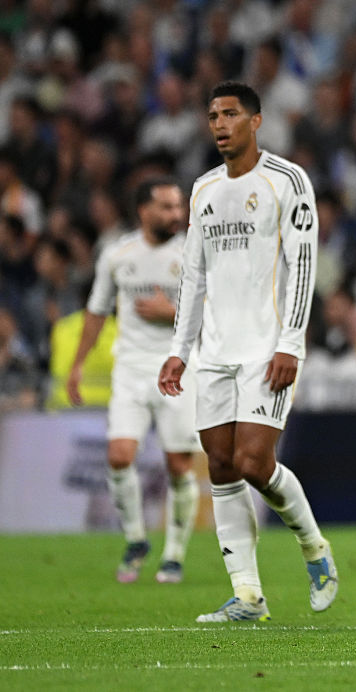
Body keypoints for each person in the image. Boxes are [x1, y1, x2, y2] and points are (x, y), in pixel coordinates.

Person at [157, 81, 337, 622]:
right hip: (214, 350)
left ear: (255, 121)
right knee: (220, 467)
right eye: (212, 115)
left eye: (230, 114)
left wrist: (291, 343)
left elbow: (303, 266)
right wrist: (178, 350)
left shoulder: (288, 180)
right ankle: (248, 596)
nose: (219, 124)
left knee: (255, 463)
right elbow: (193, 275)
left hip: (267, 347)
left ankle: (314, 548)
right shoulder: (204, 189)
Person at [67, 177, 200, 584]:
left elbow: (215, 311)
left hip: (178, 367)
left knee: (179, 465)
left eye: (178, 207)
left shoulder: (193, 254)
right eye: (166, 207)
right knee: (119, 456)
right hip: (130, 368)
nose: (176, 214)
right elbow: (96, 311)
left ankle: (174, 554)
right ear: (143, 210)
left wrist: (171, 312)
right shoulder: (116, 254)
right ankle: (136, 539)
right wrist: (77, 365)